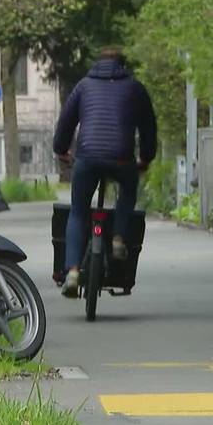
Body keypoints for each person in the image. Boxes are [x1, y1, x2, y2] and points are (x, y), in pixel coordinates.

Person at [53, 47, 157, 297]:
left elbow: (66, 121)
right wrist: (145, 157)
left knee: (78, 212)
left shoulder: (84, 86)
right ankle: (119, 237)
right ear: (123, 65)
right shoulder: (134, 88)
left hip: (87, 156)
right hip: (122, 157)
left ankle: (73, 271)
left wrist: (61, 150)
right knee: (128, 190)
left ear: (96, 64)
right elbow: (148, 127)